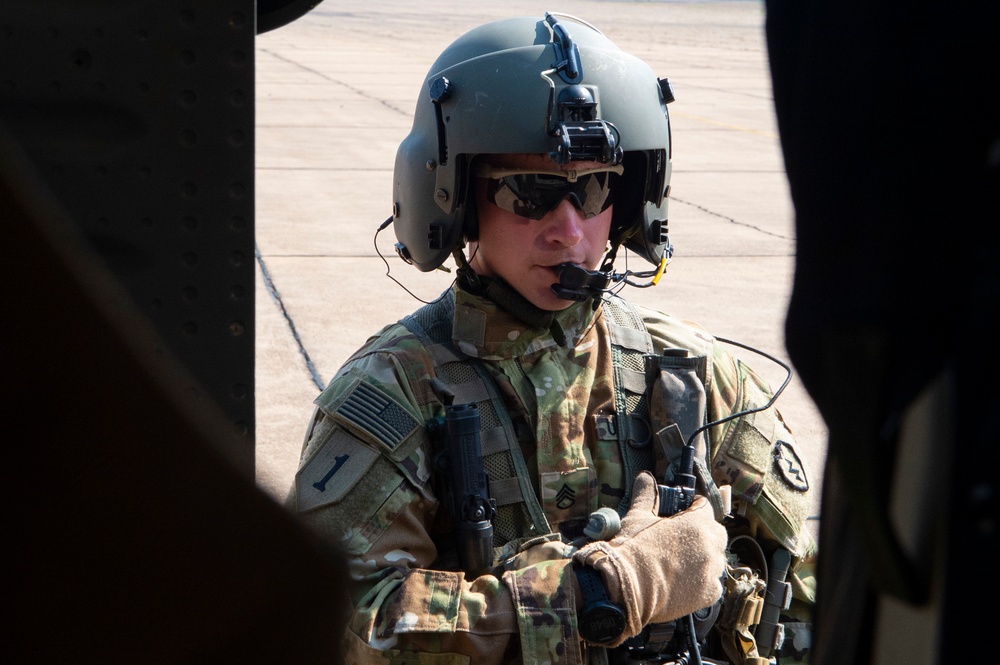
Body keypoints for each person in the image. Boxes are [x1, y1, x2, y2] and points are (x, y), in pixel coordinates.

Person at [286, 12, 817, 665]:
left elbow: (813, 594)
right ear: (452, 198)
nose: (569, 232)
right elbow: (334, 619)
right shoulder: (392, 395)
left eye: (593, 189)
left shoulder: (695, 377)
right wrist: (593, 592)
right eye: (530, 192)